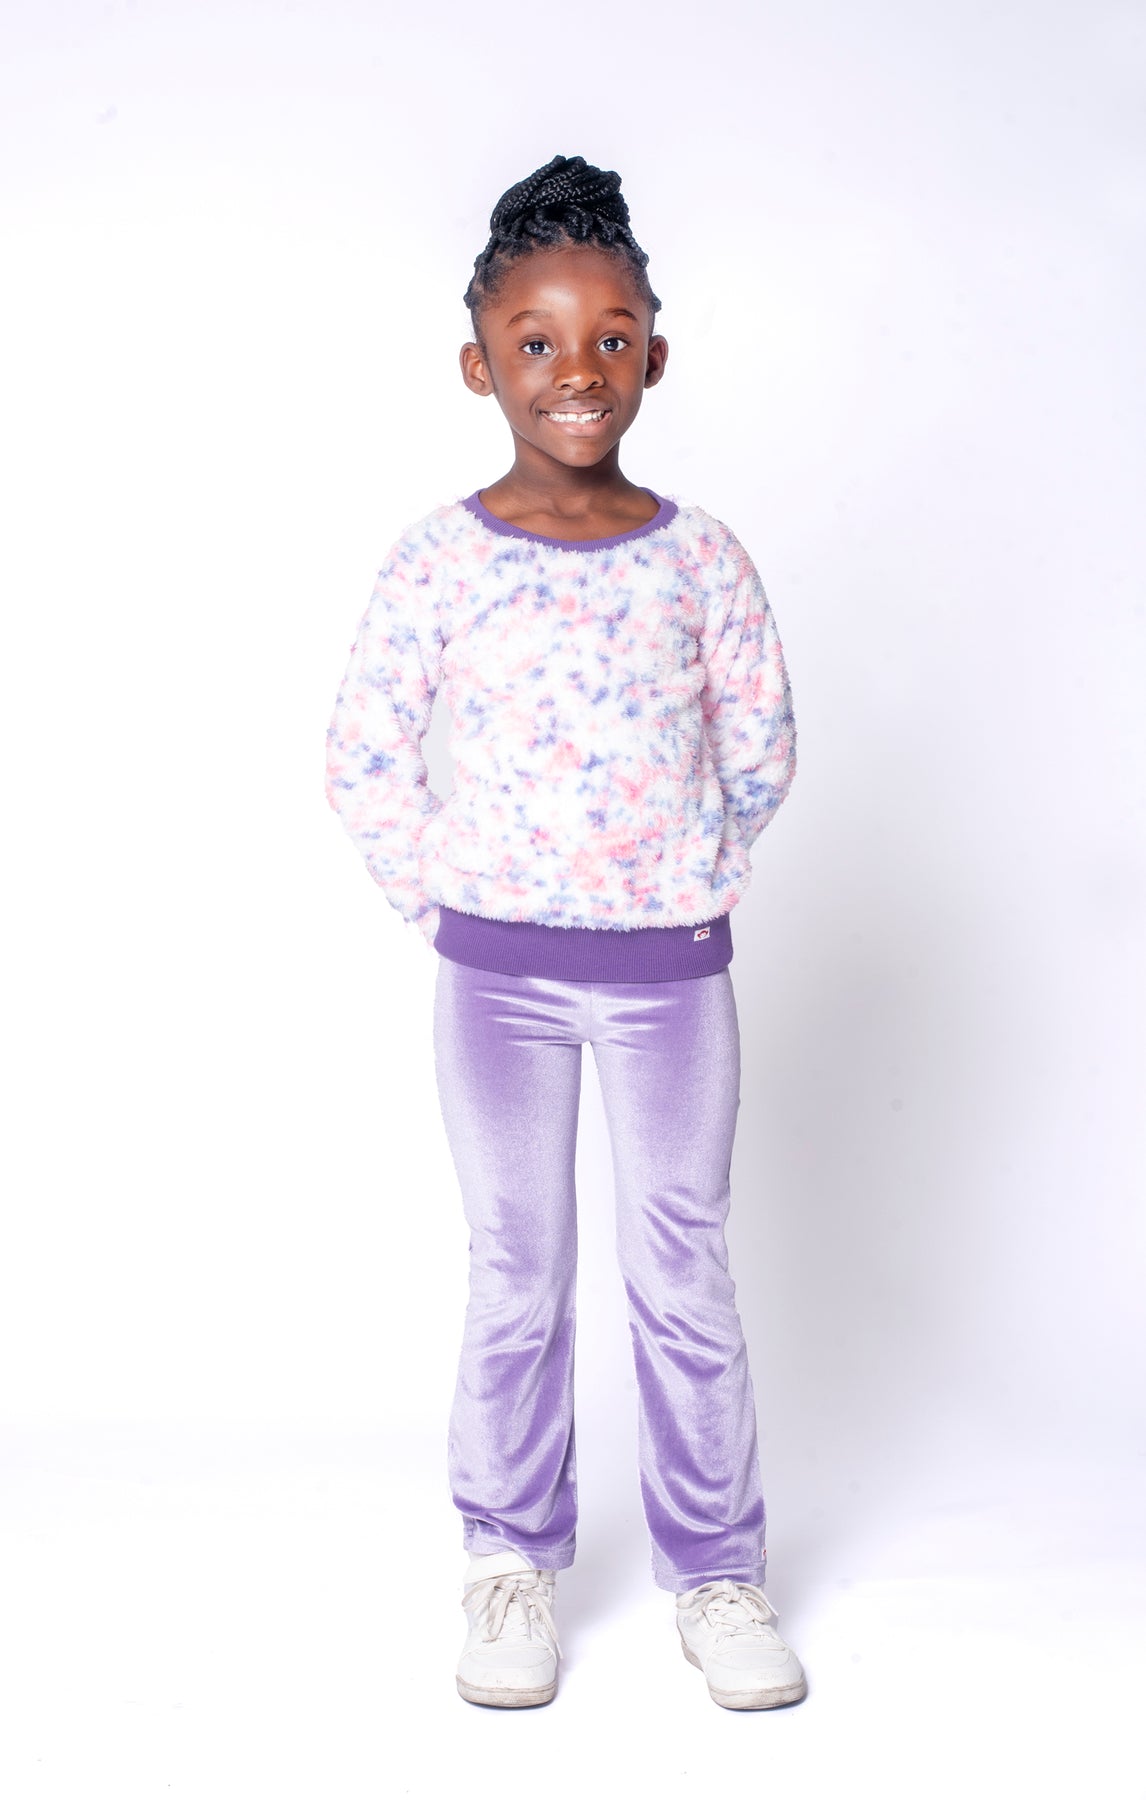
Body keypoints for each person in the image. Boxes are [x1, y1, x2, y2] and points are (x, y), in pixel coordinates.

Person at [324, 154, 807, 1712]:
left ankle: (717, 1572)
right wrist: (447, 901)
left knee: (681, 1271)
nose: (575, 369)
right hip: (496, 986)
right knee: (516, 1271)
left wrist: (683, 871)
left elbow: (760, 743)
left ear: (653, 354)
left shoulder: (699, 555)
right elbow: (363, 752)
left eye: (608, 337)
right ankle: (507, 1559)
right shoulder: (440, 557)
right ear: (481, 365)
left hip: (669, 979)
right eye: (535, 341)